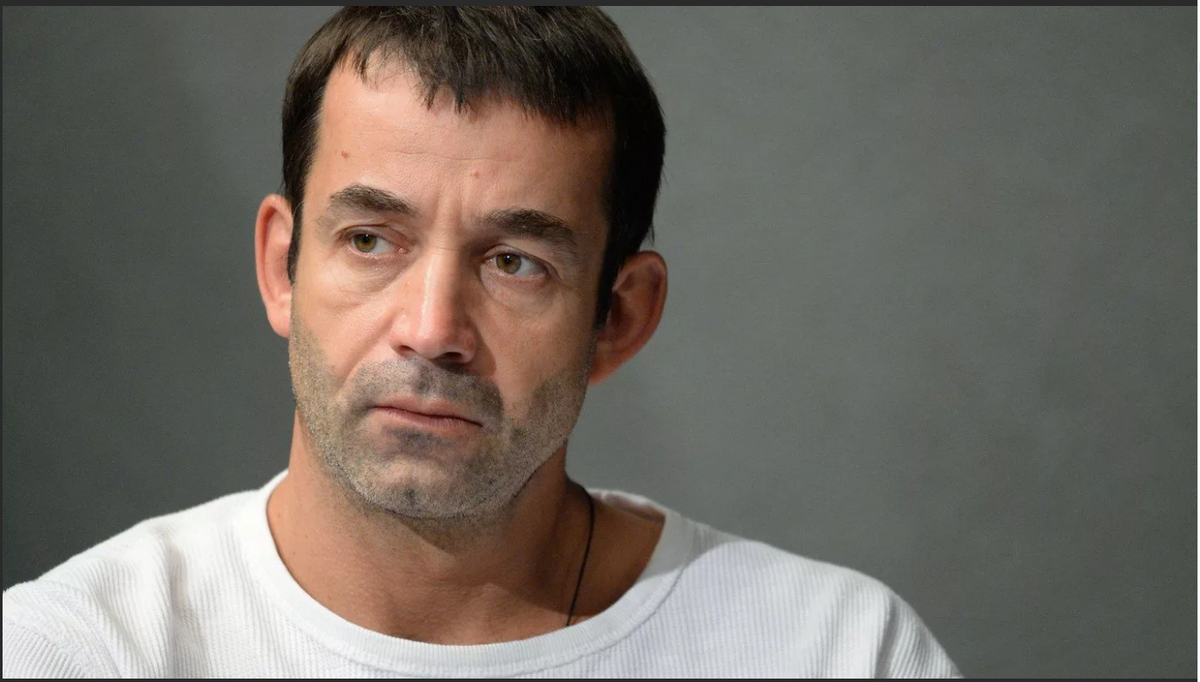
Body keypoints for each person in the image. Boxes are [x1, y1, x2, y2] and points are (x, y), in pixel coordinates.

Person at [3, 7, 959, 677]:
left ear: (619, 317)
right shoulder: (77, 653)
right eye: (371, 240)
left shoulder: (833, 652)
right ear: (280, 267)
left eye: (515, 262)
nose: (431, 331)